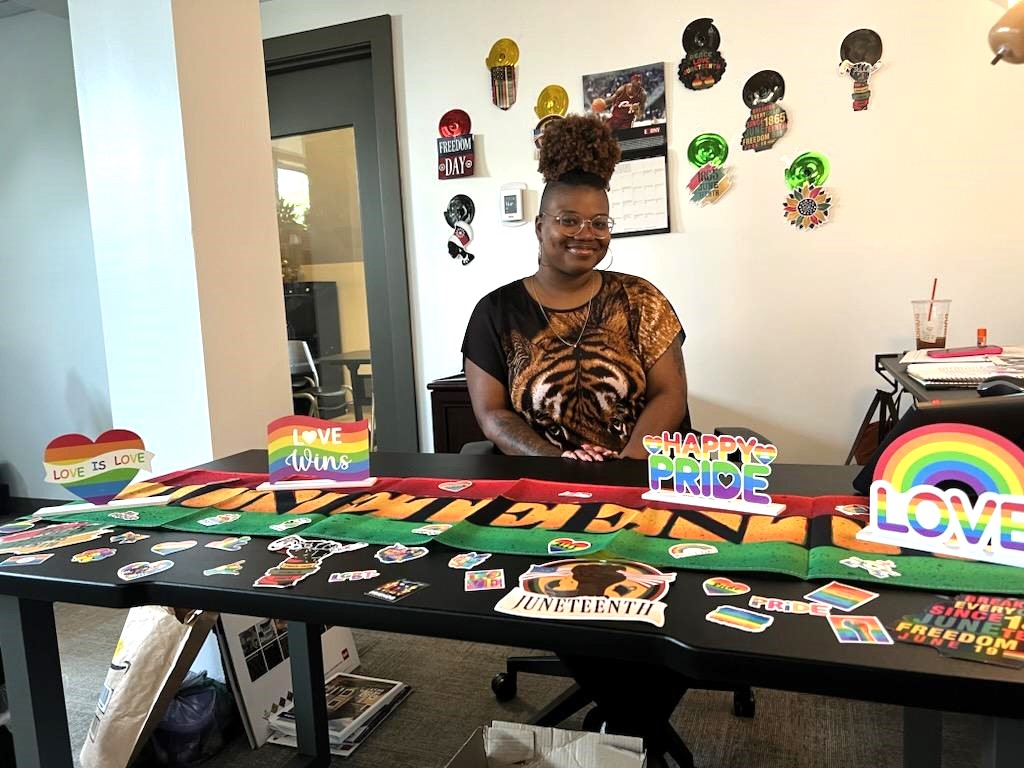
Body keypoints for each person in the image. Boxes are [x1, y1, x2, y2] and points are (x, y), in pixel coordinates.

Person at [462, 114, 687, 461]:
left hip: (637, 476)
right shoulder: (494, 312)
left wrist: (624, 467)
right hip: (542, 484)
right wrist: (558, 463)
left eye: (599, 223)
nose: (586, 233)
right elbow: (492, 415)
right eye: (568, 220)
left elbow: (670, 394)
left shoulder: (642, 300)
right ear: (539, 227)